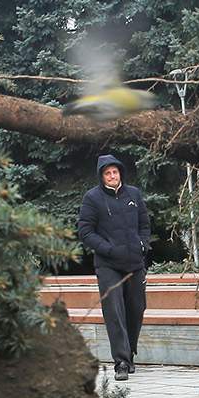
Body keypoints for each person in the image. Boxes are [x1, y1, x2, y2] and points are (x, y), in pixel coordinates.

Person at [76, 154, 151, 377]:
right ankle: (121, 362)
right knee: (115, 311)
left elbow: (144, 224)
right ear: (102, 176)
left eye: (115, 172)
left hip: (135, 263)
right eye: (107, 173)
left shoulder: (134, 194)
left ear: (120, 173)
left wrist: (143, 245)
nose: (112, 176)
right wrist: (108, 249)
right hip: (108, 265)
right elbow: (85, 232)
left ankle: (130, 354)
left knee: (136, 309)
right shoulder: (93, 198)